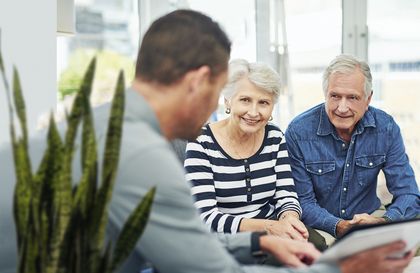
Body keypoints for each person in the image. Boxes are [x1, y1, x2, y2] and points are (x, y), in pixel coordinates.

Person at [0, 11, 415, 273]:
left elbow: (177, 241)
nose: (227, 110)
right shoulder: (143, 154)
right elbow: (207, 266)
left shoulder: (99, 124)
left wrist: (256, 239)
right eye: (223, 94)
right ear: (199, 82)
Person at [285, 54, 420, 245]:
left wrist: (383, 222)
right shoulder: (298, 131)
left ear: (368, 99)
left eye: (352, 98)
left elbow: (408, 193)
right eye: (335, 96)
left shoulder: (386, 128)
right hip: (320, 226)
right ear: (325, 94)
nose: (342, 107)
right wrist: (339, 225)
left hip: (371, 218)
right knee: (311, 248)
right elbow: (303, 203)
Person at [184, 59, 308, 242]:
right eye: (245, 100)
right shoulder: (201, 141)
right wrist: (268, 227)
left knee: (314, 250)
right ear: (227, 100)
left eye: (263, 102)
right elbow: (205, 217)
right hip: (226, 240)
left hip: (274, 230)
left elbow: (286, 195)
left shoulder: (274, 136)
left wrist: (289, 219)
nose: (253, 112)